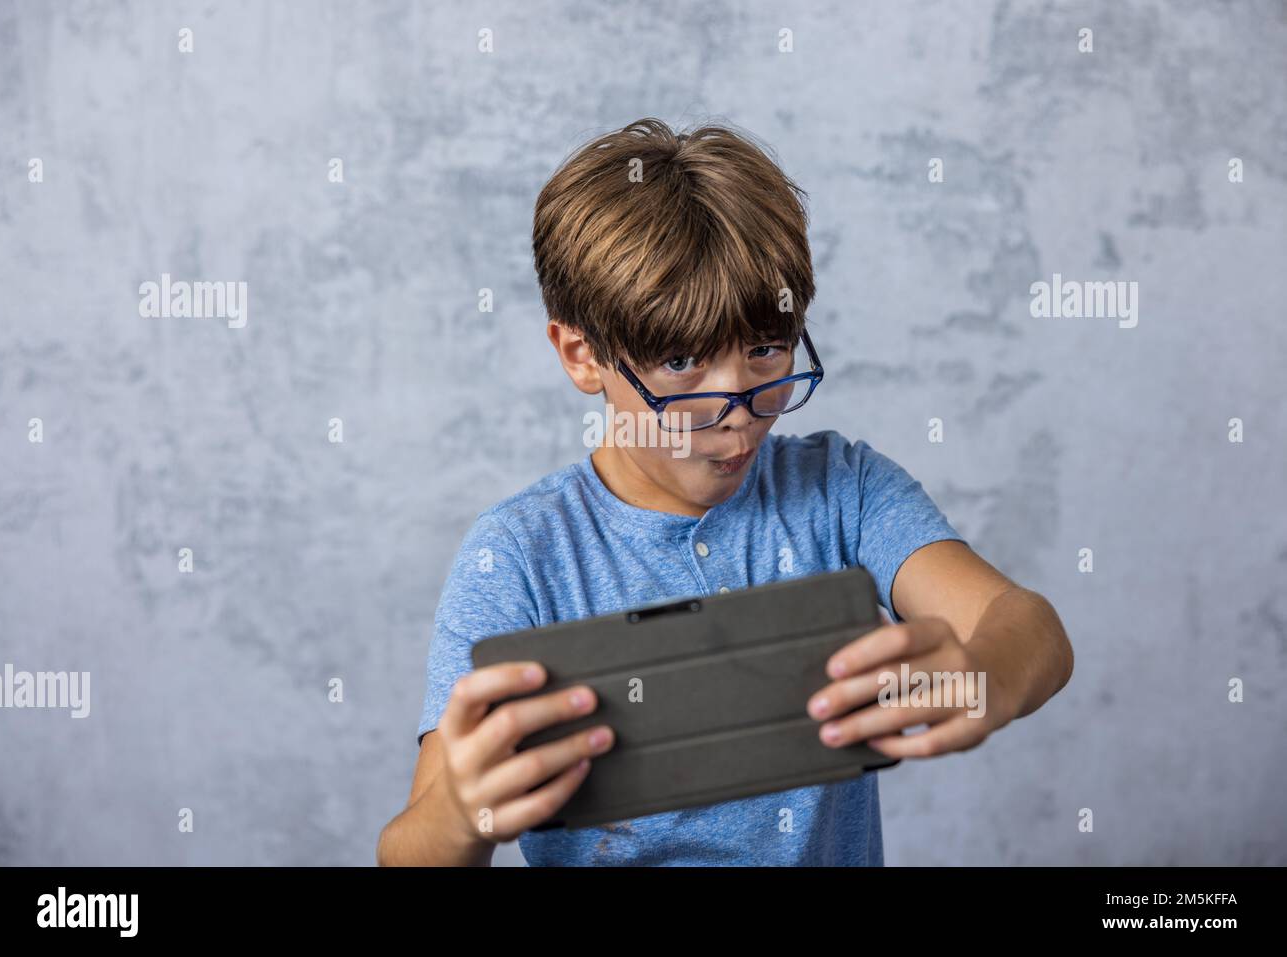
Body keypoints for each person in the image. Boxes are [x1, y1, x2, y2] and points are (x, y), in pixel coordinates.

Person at [377, 118, 1073, 866]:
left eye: (767, 352)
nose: (739, 416)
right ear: (583, 355)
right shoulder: (519, 557)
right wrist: (458, 812)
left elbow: (1029, 626)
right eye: (680, 362)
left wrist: (986, 677)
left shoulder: (842, 490)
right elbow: (410, 849)